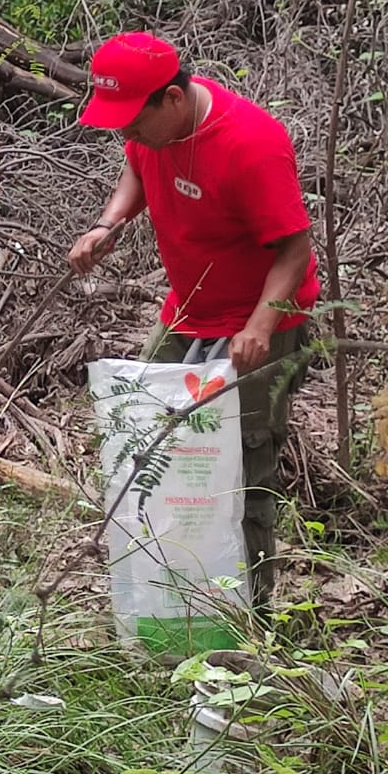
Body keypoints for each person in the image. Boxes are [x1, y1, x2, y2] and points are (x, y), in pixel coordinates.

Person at [67, 31, 318, 605]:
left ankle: (249, 614)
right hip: (188, 310)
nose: (125, 133)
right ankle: (168, 586)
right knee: (146, 431)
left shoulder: (251, 143)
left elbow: (294, 249)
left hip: (262, 323)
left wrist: (257, 326)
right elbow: (136, 163)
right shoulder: (150, 131)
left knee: (244, 460)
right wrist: (109, 224)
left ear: (173, 100)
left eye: (133, 120)